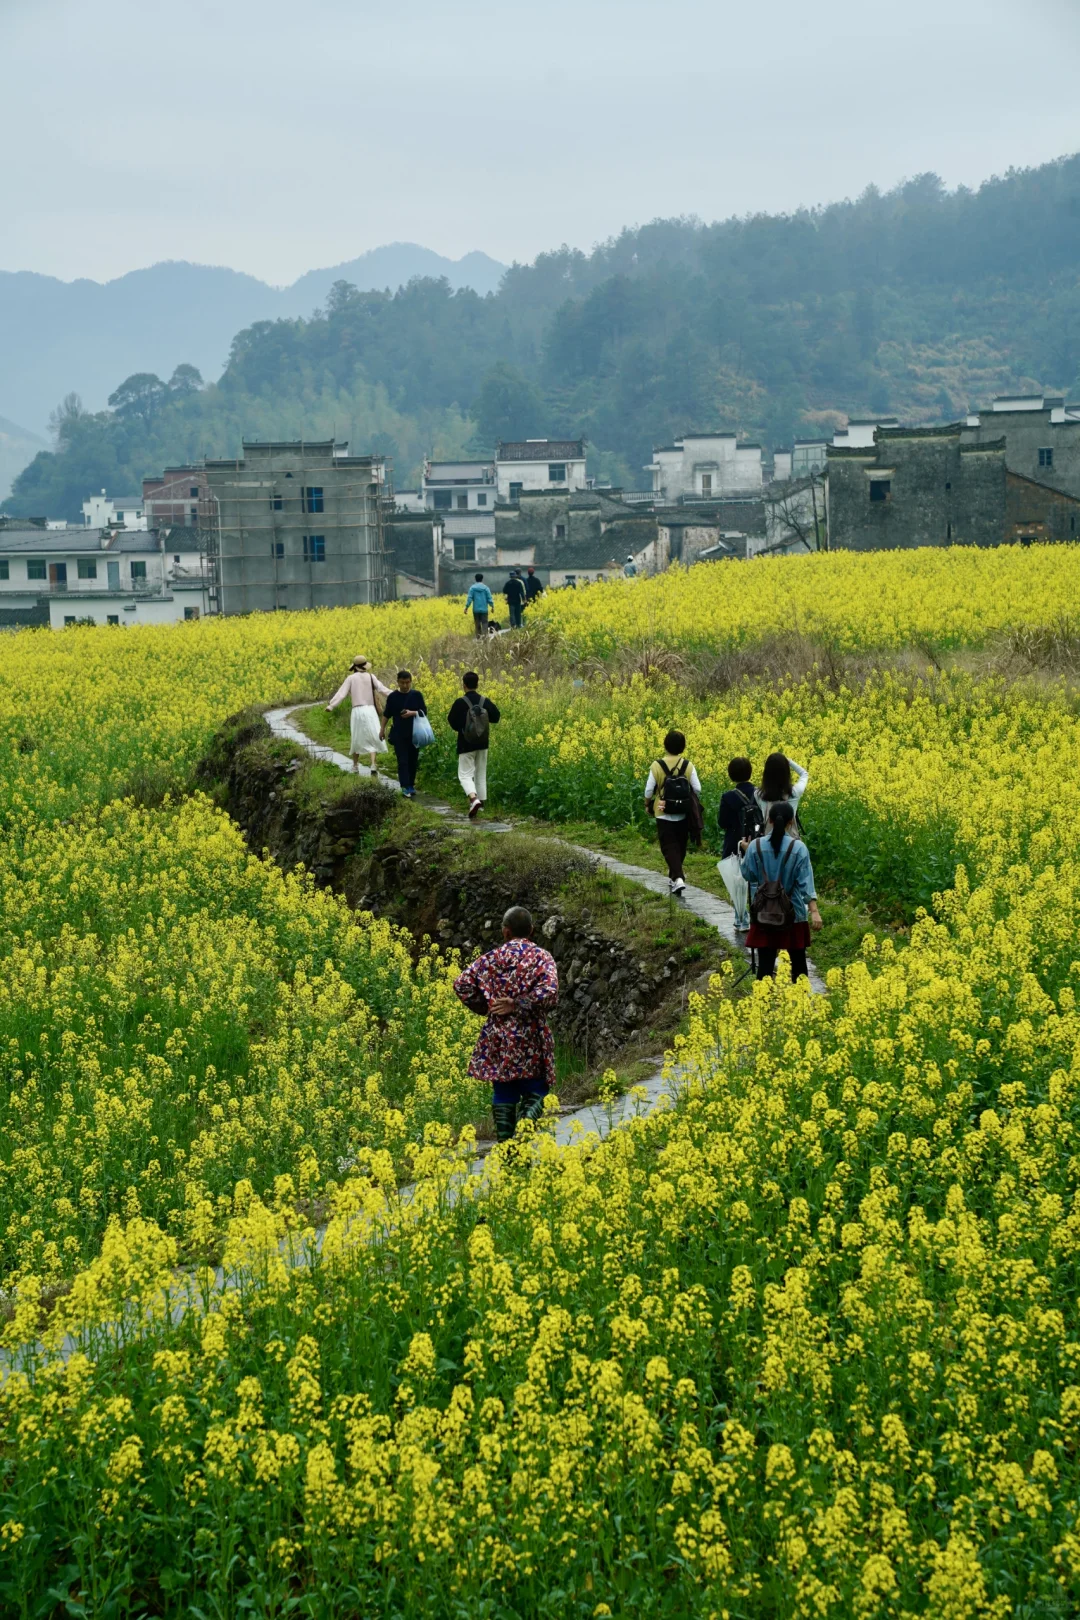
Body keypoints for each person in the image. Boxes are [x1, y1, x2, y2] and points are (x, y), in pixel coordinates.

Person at [453, 906, 559, 1145]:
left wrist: (487, 1007)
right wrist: (519, 1003)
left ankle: (506, 1147)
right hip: (531, 1034)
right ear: (531, 930)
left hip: (498, 1036)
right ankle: (525, 1127)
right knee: (537, 1089)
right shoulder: (541, 957)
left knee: (504, 1090)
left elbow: (461, 984)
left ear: (505, 932)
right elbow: (550, 992)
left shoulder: (489, 959)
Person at [740, 801, 822, 982]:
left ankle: (762, 1005)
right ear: (791, 822)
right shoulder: (799, 848)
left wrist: (747, 852)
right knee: (799, 962)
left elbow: (748, 875)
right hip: (793, 912)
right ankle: (801, 1003)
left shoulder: (756, 846)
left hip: (764, 911)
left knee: (765, 964)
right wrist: (814, 911)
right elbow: (805, 884)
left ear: (768, 820)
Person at [644, 728, 702, 896]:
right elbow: (697, 789)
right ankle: (674, 877)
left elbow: (648, 791)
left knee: (668, 846)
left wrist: (647, 804)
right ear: (683, 747)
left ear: (665, 745)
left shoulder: (657, 765)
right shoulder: (688, 765)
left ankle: (678, 877)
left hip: (663, 809)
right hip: (683, 811)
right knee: (680, 845)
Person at [448, 670, 501, 819]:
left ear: (463, 685)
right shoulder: (485, 701)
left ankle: (473, 798)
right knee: (480, 773)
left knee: (464, 774)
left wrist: (463, 729)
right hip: (483, 743)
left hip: (466, 743)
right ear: (477, 684)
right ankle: (481, 804)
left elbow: (452, 721)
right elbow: (496, 717)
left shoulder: (460, 702)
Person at [717, 755, 761, 931]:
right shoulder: (761, 794)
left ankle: (741, 920)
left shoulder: (728, 797)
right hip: (757, 843)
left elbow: (723, 823)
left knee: (737, 880)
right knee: (756, 882)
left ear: (731, 775)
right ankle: (758, 918)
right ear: (750, 772)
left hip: (734, 844)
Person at [326, 655, 390, 775]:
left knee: (357, 737)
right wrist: (396, 694)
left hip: (357, 711)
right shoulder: (371, 677)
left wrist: (331, 705)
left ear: (354, 667)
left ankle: (355, 766)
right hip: (370, 710)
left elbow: (341, 694)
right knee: (373, 736)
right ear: (365, 666)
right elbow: (382, 689)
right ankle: (373, 764)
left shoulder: (351, 679)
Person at [380, 668, 427, 798]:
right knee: (402, 761)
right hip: (399, 734)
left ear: (411, 682)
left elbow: (424, 712)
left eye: (407, 682)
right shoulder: (393, 697)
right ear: (397, 682)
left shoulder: (417, 695)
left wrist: (412, 713)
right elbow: (386, 714)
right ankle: (404, 786)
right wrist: (382, 729)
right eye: (402, 683)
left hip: (415, 733)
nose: (405, 685)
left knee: (413, 760)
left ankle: (411, 785)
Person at [756, 752, 810, 837]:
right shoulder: (794, 793)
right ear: (787, 772)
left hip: (767, 841)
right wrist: (789, 761)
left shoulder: (759, 794)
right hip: (791, 843)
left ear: (766, 773)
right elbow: (804, 774)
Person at [464, 573, 495, 638]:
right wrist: (492, 606)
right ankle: (485, 637)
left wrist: (466, 607)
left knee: (477, 624)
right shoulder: (486, 588)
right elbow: (489, 598)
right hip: (484, 609)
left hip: (476, 610)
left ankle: (478, 638)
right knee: (484, 623)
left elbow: (469, 598)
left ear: (475, 579)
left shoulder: (472, 588)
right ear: (482, 579)